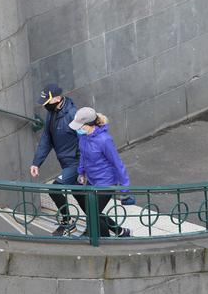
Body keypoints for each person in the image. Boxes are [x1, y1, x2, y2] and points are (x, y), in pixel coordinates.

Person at [69, 107, 132, 238]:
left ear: (88, 125)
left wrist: (125, 189)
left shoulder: (104, 140)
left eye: (79, 126)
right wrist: (81, 172)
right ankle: (120, 232)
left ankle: (103, 239)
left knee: (93, 213)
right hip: (92, 180)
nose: (77, 129)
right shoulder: (83, 137)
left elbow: (117, 163)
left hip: (106, 183)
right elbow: (83, 155)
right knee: (93, 211)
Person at [30, 84, 80, 236]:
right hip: (66, 164)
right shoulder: (52, 113)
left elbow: (86, 142)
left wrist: (84, 168)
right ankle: (118, 231)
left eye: (47, 101)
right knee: (84, 199)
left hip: (76, 163)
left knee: (54, 189)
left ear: (58, 98)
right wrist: (36, 162)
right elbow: (46, 139)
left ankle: (68, 223)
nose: (45, 105)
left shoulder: (73, 114)